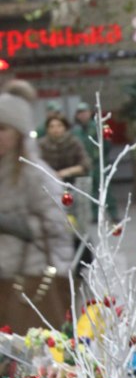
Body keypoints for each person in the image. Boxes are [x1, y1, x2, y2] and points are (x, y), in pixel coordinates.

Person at [0, 81, 75, 332]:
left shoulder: (36, 173)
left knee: (33, 359)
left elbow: (56, 227)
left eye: (3, 129)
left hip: (31, 281)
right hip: (4, 279)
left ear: (19, 131)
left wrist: (13, 225)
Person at [72, 101, 116, 220]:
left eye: (84, 112)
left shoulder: (98, 126)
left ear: (90, 113)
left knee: (106, 188)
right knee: (91, 191)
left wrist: (101, 157)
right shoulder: (75, 131)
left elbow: (107, 143)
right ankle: (96, 216)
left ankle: (113, 213)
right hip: (84, 165)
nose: (82, 115)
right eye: (80, 113)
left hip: (99, 163)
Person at [38, 113, 90, 185]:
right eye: (51, 126)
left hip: (72, 182)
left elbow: (85, 164)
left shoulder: (73, 143)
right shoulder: (41, 145)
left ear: (65, 127)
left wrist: (67, 172)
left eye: (59, 126)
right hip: (48, 182)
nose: (55, 129)